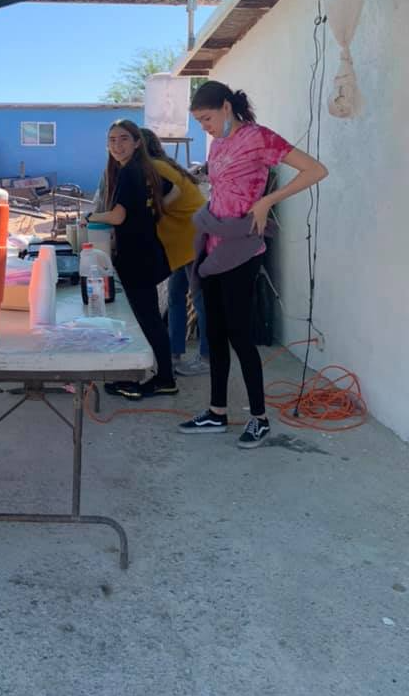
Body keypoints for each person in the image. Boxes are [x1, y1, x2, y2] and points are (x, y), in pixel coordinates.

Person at [179, 80, 328, 447]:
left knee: (239, 335)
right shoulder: (217, 144)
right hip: (214, 246)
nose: (205, 127)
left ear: (226, 107)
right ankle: (217, 412)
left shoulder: (260, 138)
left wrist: (267, 201)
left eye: (207, 118)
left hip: (242, 249)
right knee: (214, 334)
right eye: (199, 121)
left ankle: (259, 418)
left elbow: (315, 170)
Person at [87, 120, 177, 400]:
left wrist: (90, 217)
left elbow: (117, 216)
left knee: (147, 319)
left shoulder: (130, 172)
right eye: (112, 140)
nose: (117, 145)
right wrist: (155, 214)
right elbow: (174, 190)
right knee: (149, 317)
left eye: (124, 139)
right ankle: (159, 374)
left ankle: (164, 379)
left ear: (137, 142)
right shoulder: (145, 169)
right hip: (147, 251)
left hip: (137, 256)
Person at [139, 128, 210, 377]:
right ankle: (174, 354)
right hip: (183, 240)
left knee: (200, 300)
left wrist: (153, 213)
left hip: (194, 238)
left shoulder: (154, 167)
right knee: (175, 297)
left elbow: (174, 193)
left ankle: (206, 358)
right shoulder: (162, 164)